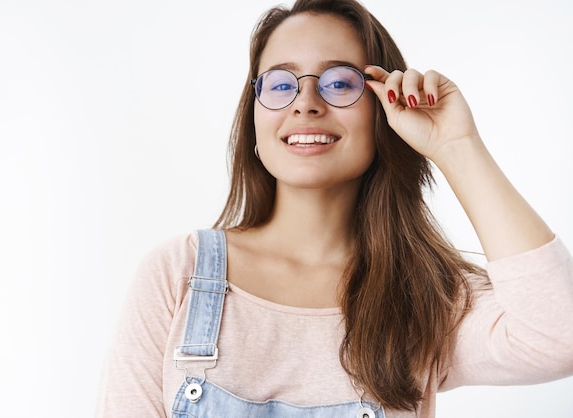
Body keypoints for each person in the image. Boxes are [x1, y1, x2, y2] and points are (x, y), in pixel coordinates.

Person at [95, 0, 573, 416]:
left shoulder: (424, 295)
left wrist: (456, 146)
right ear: (255, 115)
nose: (305, 103)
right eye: (281, 84)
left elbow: (560, 337)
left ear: (385, 110)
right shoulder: (180, 274)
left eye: (339, 82)